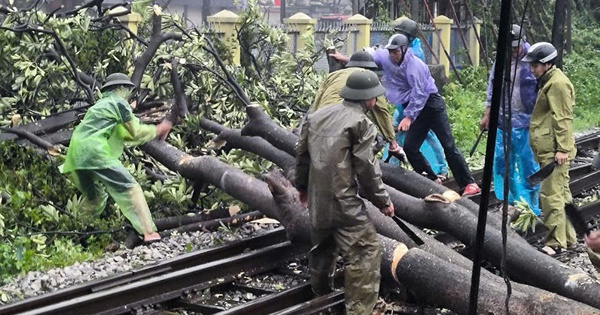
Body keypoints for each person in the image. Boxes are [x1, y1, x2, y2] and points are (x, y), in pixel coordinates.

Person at [295, 69, 394, 314]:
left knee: (322, 247)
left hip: (318, 201)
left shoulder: (317, 116)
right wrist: (383, 201)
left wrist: (302, 189)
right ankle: (359, 310)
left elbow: (302, 155)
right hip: (344, 203)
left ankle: (320, 295)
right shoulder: (362, 123)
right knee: (365, 251)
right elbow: (367, 168)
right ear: (368, 98)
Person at [333, 34, 480, 195]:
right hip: (414, 108)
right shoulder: (386, 57)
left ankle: (468, 184)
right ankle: (431, 179)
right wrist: (345, 59)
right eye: (391, 52)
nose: (392, 55)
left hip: (431, 105)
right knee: (410, 147)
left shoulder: (415, 66)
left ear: (404, 50)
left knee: (449, 146)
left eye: (395, 52)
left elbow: (420, 93)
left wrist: (409, 117)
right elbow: (367, 58)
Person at [60, 73, 172, 243]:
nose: (128, 94)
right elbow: (135, 132)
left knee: (95, 198)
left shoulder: (101, 106)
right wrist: (159, 129)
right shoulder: (119, 103)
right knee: (131, 188)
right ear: (121, 88)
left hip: (75, 154)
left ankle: (76, 236)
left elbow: (123, 135)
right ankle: (149, 233)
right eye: (127, 90)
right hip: (94, 151)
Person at [522, 42, 577, 255]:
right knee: (562, 195)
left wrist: (562, 149)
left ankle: (555, 242)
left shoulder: (557, 84)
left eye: (535, 65)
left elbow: (562, 118)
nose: (532, 69)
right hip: (550, 148)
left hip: (555, 151)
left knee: (550, 195)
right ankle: (569, 238)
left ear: (547, 64)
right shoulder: (549, 81)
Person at [479, 24, 541, 215]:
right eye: (511, 48)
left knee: (527, 163)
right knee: (501, 160)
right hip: (504, 119)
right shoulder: (502, 59)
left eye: (516, 47)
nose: (514, 51)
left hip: (527, 121)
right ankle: (510, 199)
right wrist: (488, 112)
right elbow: (493, 85)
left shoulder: (534, 59)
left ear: (523, 41)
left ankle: (530, 203)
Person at [382, 17, 448, 179]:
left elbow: (419, 91)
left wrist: (410, 115)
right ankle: (389, 168)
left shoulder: (414, 55)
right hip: (403, 104)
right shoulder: (398, 51)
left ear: (409, 38)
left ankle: (440, 169)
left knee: (426, 134)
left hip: (416, 104)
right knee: (395, 133)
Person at [310, 51, 401, 155]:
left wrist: (311, 123)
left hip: (319, 121)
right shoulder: (370, 78)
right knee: (370, 139)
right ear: (370, 68)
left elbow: (317, 99)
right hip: (344, 124)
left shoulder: (333, 75)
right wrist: (392, 142)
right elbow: (381, 111)